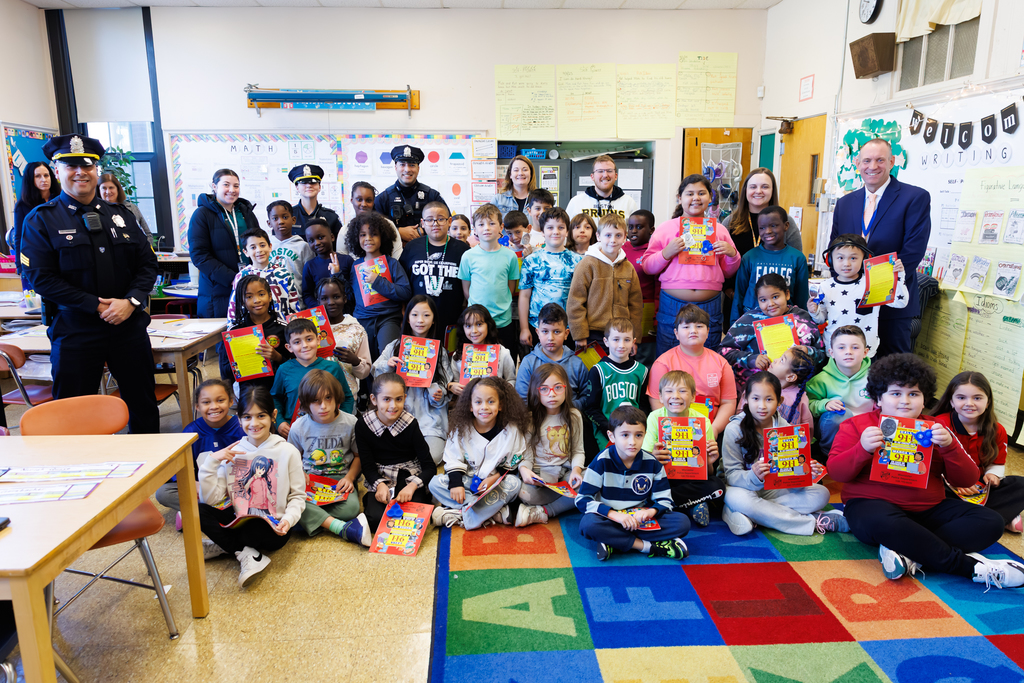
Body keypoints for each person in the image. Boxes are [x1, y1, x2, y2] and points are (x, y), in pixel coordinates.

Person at [827, 354, 1023, 589]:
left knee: (991, 522)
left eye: (914, 394)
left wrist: (950, 447)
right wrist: (862, 449)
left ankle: (906, 551)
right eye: (896, 393)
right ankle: (969, 568)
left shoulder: (936, 429)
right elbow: (837, 473)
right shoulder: (857, 426)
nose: (905, 401)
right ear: (879, 398)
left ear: (924, 399)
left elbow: (967, 480)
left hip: (927, 509)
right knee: (882, 521)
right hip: (873, 505)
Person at [20, 134, 159, 433]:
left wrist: (130, 302)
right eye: (70, 166)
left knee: (143, 403)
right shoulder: (40, 220)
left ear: (97, 170)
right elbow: (42, 278)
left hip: (127, 326)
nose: (80, 172)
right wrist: (95, 305)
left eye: (87, 165)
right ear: (57, 171)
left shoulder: (121, 215)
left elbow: (147, 265)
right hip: (76, 330)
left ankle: (152, 472)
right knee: (73, 412)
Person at [830, 138, 931, 357]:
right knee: (851, 366)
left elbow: (913, 250)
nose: (872, 166)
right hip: (851, 303)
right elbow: (834, 249)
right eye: (866, 160)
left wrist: (877, 287)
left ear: (892, 161)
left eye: (880, 160)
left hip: (891, 302)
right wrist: (842, 289)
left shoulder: (914, 197)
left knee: (893, 369)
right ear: (857, 163)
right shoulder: (845, 203)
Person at [198, 386, 305, 587]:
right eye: (247, 417)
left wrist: (289, 520)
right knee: (197, 511)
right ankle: (246, 553)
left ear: (273, 415)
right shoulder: (233, 452)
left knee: (254, 526)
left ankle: (227, 545)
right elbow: (212, 500)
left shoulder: (288, 451)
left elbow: (298, 497)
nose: (254, 423)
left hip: (273, 527)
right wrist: (212, 462)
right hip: (240, 519)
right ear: (239, 419)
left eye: (261, 415)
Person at [721, 371, 845, 536]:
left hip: (774, 490)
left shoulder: (786, 429)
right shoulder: (734, 429)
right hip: (742, 488)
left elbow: (790, 476)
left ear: (779, 401)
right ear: (746, 399)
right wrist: (754, 476)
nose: (762, 406)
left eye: (769, 399)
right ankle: (813, 522)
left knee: (821, 494)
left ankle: (752, 515)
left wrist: (805, 473)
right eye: (756, 398)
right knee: (740, 500)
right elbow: (731, 476)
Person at [576, 406, 690, 561]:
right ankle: (648, 546)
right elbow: (582, 499)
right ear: (612, 436)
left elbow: (665, 501)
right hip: (612, 519)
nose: (632, 442)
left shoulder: (653, 464)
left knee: (682, 522)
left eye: (638, 435)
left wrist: (649, 513)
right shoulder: (601, 461)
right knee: (588, 524)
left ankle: (613, 541)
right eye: (625, 435)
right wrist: (615, 515)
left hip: (640, 520)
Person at [643, 175, 740, 356]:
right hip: (673, 305)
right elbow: (648, 266)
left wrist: (732, 254)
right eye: (690, 194)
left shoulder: (719, 229)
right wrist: (666, 253)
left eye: (701, 193)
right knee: (669, 357)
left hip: (710, 304)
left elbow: (728, 272)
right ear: (680, 199)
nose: (696, 198)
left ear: (710, 198)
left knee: (707, 358)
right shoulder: (666, 228)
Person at [188, 168, 260, 379]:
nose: (231, 190)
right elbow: (200, 256)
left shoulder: (245, 212)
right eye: (226, 185)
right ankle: (229, 395)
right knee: (226, 348)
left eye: (236, 185)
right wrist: (234, 279)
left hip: (248, 287)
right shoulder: (202, 215)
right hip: (219, 292)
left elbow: (255, 244)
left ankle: (249, 395)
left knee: (250, 341)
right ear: (214, 186)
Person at [428, 377, 528, 529]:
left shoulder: (511, 430)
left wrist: (494, 479)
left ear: (500, 405)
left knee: (515, 484)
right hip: (468, 481)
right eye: (478, 402)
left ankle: (461, 515)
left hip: (495, 484)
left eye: (491, 401)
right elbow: (452, 457)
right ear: (470, 406)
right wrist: (456, 484)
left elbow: (515, 458)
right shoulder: (461, 429)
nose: (484, 407)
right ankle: (492, 512)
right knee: (435, 483)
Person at [932, 372, 1024, 533]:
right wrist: (954, 482)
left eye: (977, 398)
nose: (970, 403)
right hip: (947, 485)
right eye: (961, 398)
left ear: (988, 402)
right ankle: (999, 516)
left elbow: (997, 462)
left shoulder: (997, 430)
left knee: (1020, 484)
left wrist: (993, 475)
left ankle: (984, 517)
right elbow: (929, 465)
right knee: (931, 494)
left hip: (979, 488)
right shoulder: (938, 424)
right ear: (951, 401)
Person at [287, 370, 370, 546]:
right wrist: (300, 473)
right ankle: (339, 527)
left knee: (352, 509)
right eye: (315, 401)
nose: (323, 406)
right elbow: (292, 459)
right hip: (309, 480)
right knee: (287, 501)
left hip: (339, 479)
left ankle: (311, 518)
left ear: (337, 398)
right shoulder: (298, 427)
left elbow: (358, 456)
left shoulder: (351, 423)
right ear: (306, 403)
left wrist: (349, 478)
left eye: (328, 398)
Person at [372, 295, 452, 465]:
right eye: (414, 315)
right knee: (383, 454)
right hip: (396, 417)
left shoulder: (440, 352)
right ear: (407, 318)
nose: (420, 320)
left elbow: (445, 389)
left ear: (433, 320)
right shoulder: (394, 346)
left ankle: (410, 463)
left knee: (433, 457)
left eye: (426, 315)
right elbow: (375, 375)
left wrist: (437, 393)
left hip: (429, 421)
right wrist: (388, 366)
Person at [354, 373, 435, 533]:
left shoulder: (410, 424)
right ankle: (370, 500)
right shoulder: (363, 425)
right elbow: (367, 466)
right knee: (376, 521)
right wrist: (380, 485)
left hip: (408, 474)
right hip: (380, 475)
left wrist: (412, 486)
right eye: (386, 399)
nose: (393, 406)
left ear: (405, 398)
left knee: (415, 519)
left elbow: (429, 466)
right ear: (373, 399)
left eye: (398, 399)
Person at [642, 371, 724, 526]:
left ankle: (662, 505)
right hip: (664, 478)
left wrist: (708, 462)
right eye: (669, 391)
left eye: (683, 391)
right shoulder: (654, 417)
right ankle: (691, 507)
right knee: (647, 484)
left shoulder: (703, 422)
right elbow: (644, 464)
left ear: (693, 397)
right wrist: (653, 456)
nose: (676, 396)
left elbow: (709, 473)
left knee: (718, 487)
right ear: (660, 397)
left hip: (691, 479)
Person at [719, 273, 825, 391]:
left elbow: (822, 355)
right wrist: (751, 359)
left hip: (796, 392)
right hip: (755, 392)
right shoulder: (748, 320)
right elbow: (723, 351)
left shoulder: (804, 319)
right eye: (763, 300)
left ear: (787, 294)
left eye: (775, 297)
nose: (771, 304)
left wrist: (808, 351)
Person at [808, 233, 909, 356]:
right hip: (835, 351)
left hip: (866, 350)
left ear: (864, 259)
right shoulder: (824, 287)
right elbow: (821, 319)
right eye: (840, 258)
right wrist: (814, 311)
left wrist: (899, 276)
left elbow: (900, 303)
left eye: (853, 258)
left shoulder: (873, 283)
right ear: (830, 260)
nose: (847, 263)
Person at [156, 378, 245, 516]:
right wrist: (194, 484)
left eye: (220, 400)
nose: (214, 406)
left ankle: (200, 513)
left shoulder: (242, 428)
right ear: (197, 406)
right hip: (205, 487)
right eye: (206, 402)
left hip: (236, 487)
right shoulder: (191, 431)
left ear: (231, 401)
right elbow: (178, 467)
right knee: (163, 493)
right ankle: (214, 512)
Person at [647, 305, 737, 437]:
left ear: (707, 332)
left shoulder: (721, 363)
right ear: (676, 333)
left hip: (711, 430)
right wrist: (671, 427)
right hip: (672, 430)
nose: (693, 331)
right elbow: (656, 400)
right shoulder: (663, 363)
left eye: (699, 326)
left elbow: (728, 402)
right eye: (686, 327)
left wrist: (713, 429)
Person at [515, 364, 586, 527]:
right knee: (524, 493)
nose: (552, 394)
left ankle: (544, 512)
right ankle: (566, 502)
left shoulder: (574, 416)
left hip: (566, 473)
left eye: (558, 388)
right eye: (544, 389)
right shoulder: (530, 419)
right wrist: (524, 471)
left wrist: (576, 470)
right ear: (535, 391)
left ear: (566, 388)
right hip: (540, 477)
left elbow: (578, 451)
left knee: (592, 482)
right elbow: (526, 456)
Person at [567, 213, 643, 351]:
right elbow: (575, 302)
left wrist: (634, 338)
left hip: (621, 335)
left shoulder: (629, 268)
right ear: (598, 236)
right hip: (592, 334)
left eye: (618, 235)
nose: (613, 240)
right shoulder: (587, 264)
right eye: (608, 235)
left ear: (625, 237)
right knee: (594, 371)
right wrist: (580, 334)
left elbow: (636, 306)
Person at [271, 318, 353, 438]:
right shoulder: (284, 370)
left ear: (318, 340)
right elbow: (274, 398)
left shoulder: (333, 368)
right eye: (297, 342)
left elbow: (347, 398)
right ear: (289, 347)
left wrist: (341, 421)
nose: (305, 345)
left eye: (309, 339)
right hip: (293, 431)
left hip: (329, 430)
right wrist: (279, 422)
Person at [345, 211, 412, 358]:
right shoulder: (356, 265)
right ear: (356, 238)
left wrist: (378, 282)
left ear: (383, 237)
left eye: (373, 234)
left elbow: (405, 292)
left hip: (388, 318)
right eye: (363, 235)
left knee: (388, 358)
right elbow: (351, 296)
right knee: (364, 361)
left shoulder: (392, 263)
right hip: (362, 319)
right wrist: (336, 275)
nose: (368, 239)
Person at [400, 200, 469, 336]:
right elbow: (402, 284)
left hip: (451, 320)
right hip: (418, 322)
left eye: (440, 219)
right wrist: (403, 314)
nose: (435, 224)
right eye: (430, 220)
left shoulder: (463, 250)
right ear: (423, 223)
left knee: (448, 357)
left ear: (449, 221)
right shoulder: (412, 247)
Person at [459, 203, 521, 354]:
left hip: (503, 321)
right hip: (477, 323)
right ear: (475, 230)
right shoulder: (468, 256)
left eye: (492, 223)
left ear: (501, 228)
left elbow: (510, 289)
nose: (486, 228)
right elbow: (467, 291)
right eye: (481, 224)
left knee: (505, 363)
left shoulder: (510, 256)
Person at [730, 207, 809, 322]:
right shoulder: (749, 257)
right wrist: (734, 324)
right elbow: (739, 294)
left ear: (786, 226)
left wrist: (803, 322)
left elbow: (802, 297)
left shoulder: (797, 258)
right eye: (762, 228)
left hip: (785, 321)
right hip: (752, 320)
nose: (767, 231)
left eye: (773, 226)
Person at [806, 325, 873, 459]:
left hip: (866, 427)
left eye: (855, 347)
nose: (848, 352)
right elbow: (808, 405)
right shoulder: (821, 380)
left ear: (865, 352)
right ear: (831, 352)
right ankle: (829, 455)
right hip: (835, 429)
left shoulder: (876, 377)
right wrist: (824, 404)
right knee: (839, 414)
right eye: (841, 347)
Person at [518, 207, 581, 348]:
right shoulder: (531, 260)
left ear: (567, 231)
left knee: (565, 366)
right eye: (550, 227)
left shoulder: (578, 261)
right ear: (542, 231)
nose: (555, 232)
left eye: (561, 227)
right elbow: (524, 296)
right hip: (538, 326)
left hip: (568, 327)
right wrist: (524, 328)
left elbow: (582, 297)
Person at [583, 318, 648, 450]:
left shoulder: (642, 371)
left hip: (634, 434)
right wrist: (610, 430)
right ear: (606, 341)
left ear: (633, 342)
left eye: (627, 340)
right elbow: (591, 408)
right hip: (607, 434)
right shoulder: (598, 371)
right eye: (616, 339)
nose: (621, 345)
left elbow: (644, 405)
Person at [227, 274, 292, 395]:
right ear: (242, 301)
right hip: (247, 394)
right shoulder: (235, 332)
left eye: (261, 294)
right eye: (249, 297)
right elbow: (225, 370)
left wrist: (276, 356)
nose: (257, 300)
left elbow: (294, 365)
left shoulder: (283, 328)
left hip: (278, 393)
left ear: (270, 296)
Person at [517, 303, 590, 410]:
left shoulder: (577, 363)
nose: (550, 338)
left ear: (566, 334)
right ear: (537, 333)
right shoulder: (528, 362)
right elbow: (522, 399)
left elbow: (587, 396)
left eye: (556, 332)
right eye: (545, 331)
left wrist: (567, 409)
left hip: (570, 418)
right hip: (537, 420)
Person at [373, 145, 448, 244]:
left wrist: (423, 231)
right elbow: (373, 228)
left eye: (412, 165)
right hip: (393, 255)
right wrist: (398, 231)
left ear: (418, 168)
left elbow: (447, 223)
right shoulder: (383, 198)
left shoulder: (432, 196)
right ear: (396, 167)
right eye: (402, 164)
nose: (407, 169)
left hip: (425, 253)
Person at [225, 228, 301, 321]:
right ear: (246, 252)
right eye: (253, 247)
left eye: (262, 245)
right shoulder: (241, 276)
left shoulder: (283, 273)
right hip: (253, 331)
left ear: (270, 247)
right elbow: (234, 308)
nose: (259, 250)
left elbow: (293, 304)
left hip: (282, 328)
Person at [315, 274, 371, 399]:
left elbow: (365, 373)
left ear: (345, 298)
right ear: (318, 301)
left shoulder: (356, 330)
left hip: (347, 397)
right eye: (324, 298)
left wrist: (355, 361)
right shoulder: (311, 330)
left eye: (336, 297)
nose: (331, 302)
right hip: (316, 396)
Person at [448, 304, 517, 392]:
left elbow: (511, 379)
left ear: (488, 325)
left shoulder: (502, 353)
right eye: (468, 326)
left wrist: (505, 388)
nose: (474, 331)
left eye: (479, 324)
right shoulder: (458, 356)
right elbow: (457, 383)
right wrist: (453, 387)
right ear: (463, 328)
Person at [10, 160, 59, 281]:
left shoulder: (61, 199)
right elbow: (19, 237)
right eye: (38, 176)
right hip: (38, 259)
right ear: (30, 180)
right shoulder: (22, 205)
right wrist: (19, 266)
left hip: (62, 255)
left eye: (46, 175)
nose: (44, 179)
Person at [624, 210, 660, 367]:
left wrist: (656, 317)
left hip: (646, 310)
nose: (633, 231)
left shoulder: (654, 252)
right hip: (623, 308)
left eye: (639, 227)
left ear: (651, 230)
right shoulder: (620, 248)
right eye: (630, 226)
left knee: (643, 356)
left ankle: (643, 391)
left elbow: (659, 288)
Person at [564, 155, 639, 221]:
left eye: (609, 171)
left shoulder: (629, 203)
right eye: (600, 171)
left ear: (616, 176)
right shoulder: (576, 202)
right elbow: (567, 233)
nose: (605, 175)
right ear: (592, 176)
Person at [301, 217, 353, 310]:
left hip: (347, 313)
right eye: (311, 240)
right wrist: (320, 308)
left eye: (320, 237)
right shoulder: (309, 266)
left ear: (332, 237)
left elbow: (354, 290)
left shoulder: (347, 260)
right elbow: (307, 295)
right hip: (323, 316)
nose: (316, 243)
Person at [266, 200, 314, 294]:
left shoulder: (303, 246)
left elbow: (310, 277)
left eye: (285, 217)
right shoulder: (265, 246)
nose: (281, 222)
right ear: (269, 223)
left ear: (293, 220)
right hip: (272, 302)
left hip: (298, 301)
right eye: (275, 218)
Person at [289, 164, 343, 242]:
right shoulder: (288, 216)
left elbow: (339, 246)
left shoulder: (331, 217)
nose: (309, 185)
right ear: (297, 187)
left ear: (319, 187)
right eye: (303, 182)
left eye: (313, 182)